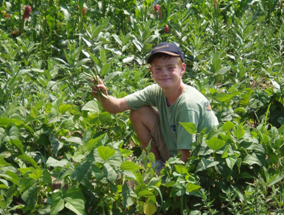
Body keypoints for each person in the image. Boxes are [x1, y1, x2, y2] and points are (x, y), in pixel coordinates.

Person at [91, 42, 218, 174]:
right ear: (151, 71)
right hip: (175, 148)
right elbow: (115, 107)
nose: (164, 73)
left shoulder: (187, 104)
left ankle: (164, 176)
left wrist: (169, 180)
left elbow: (186, 156)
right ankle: (156, 167)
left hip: (201, 164)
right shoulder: (156, 91)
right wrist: (102, 95)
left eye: (170, 68)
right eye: (158, 69)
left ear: (182, 69)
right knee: (139, 112)